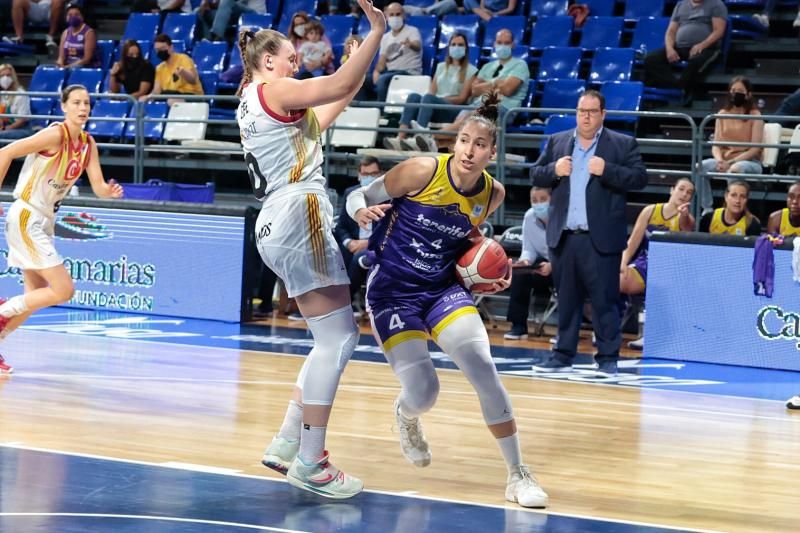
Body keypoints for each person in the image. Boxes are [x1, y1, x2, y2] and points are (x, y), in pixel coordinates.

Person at [346, 93, 549, 509]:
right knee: (425, 392)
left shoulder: (492, 194)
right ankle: (406, 416)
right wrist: (358, 213)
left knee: (483, 365)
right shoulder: (421, 170)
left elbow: (467, 242)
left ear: (492, 152)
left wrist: (489, 268)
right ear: (454, 142)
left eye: (479, 145)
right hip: (392, 292)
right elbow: (359, 195)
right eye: (464, 141)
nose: (469, 151)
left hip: (441, 288)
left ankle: (517, 474)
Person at [235, 0, 385, 499]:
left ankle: (285, 440)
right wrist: (375, 33)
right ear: (267, 61)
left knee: (329, 339)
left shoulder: (255, 100)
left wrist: (359, 57)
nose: (296, 59)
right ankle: (311, 459)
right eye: (289, 54)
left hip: (277, 220)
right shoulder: (273, 88)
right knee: (340, 339)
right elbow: (339, 84)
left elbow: (335, 101)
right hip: (301, 211)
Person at [0, 84, 124, 375]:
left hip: (45, 219)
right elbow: (6, 151)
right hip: (27, 214)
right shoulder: (55, 135)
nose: (83, 108)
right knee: (63, 290)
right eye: (77, 102)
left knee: (33, 296)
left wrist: (109, 191)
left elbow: (98, 186)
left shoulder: (88, 144)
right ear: (64, 106)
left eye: (87, 103)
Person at [530, 89, 648, 376]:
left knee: (605, 300)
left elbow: (640, 178)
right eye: (582, 111)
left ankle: (608, 357)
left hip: (601, 238)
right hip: (565, 236)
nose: (586, 117)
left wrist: (607, 169)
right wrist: (555, 170)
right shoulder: (559, 142)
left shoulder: (622, 144)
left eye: (592, 112)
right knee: (567, 299)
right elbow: (535, 174)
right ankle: (562, 354)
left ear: (603, 115)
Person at [410, 28, 528, 153]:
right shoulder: (487, 66)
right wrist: (496, 83)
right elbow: (474, 90)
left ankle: (428, 137)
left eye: (506, 43)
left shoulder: (520, 65)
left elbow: (508, 89)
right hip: (476, 104)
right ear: (494, 44)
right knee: (461, 118)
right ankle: (433, 145)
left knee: (470, 118)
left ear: (513, 44)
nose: (502, 46)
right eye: (499, 42)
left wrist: (488, 85)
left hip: (502, 108)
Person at [619, 178, 695, 350]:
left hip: (671, 269)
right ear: (672, 190)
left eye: (689, 192)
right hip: (645, 263)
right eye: (681, 189)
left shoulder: (688, 219)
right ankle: (608, 328)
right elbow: (632, 242)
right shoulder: (650, 210)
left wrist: (683, 216)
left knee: (661, 284)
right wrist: (623, 262)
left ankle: (650, 334)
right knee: (615, 279)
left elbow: (687, 228)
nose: (684, 194)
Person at [383, 32, 477, 151]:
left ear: (466, 49)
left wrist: (438, 100)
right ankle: (400, 138)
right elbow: (432, 91)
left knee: (428, 98)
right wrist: (434, 101)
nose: (456, 47)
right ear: (449, 48)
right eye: (453, 44)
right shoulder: (441, 67)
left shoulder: (471, 70)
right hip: (436, 105)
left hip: (454, 109)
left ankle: (420, 137)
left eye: (460, 45)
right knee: (413, 97)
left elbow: (462, 98)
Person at [698, 76, 764, 214]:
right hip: (725, 159)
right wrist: (720, 160)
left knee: (735, 169)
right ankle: (707, 209)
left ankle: (732, 210)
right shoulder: (722, 114)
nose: (735, 94)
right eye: (733, 90)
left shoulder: (755, 115)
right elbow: (716, 144)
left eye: (740, 90)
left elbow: (754, 149)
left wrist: (731, 162)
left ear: (748, 94)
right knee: (700, 166)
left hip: (749, 162)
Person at [643, 0, 727, 104]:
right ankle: (678, 87)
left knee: (696, 63)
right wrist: (670, 49)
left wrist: (701, 45)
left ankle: (684, 91)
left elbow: (719, 31)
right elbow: (671, 32)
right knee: (651, 59)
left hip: (707, 48)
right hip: (679, 47)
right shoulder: (681, 5)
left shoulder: (716, 4)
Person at [504, 186, 553, 341]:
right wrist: (525, 261)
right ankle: (518, 326)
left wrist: (553, 265)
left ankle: (565, 333)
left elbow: (569, 252)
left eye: (543, 200)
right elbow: (529, 248)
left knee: (567, 276)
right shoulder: (529, 217)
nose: (538, 204)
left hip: (564, 266)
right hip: (541, 266)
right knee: (520, 274)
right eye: (534, 200)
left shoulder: (563, 217)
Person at [333, 156, 383, 305]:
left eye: (373, 174)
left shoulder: (388, 197)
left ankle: (342, 303)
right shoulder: (350, 193)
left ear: (380, 174)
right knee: (334, 255)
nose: (369, 178)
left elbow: (391, 230)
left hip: (375, 246)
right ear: (359, 175)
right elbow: (341, 226)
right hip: (353, 243)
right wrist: (349, 243)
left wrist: (367, 243)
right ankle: (332, 301)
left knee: (358, 259)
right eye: (366, 174)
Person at [371, 2, 422, 103]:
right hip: (390, 73)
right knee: (360, 80)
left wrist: (411, 44)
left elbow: (417, 46)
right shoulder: (385, 37)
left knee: (383, 80)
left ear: (403, 15)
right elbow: (381, 62)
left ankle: (381, 111)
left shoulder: (412, 31)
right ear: (386, 17)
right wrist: (376, 71)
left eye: (398, 14)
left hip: (408, 72)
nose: (395, 17)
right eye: (392, 15)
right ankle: (361, 111)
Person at [147, 33, 204, 102]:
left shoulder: (183, 59)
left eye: (163, 48)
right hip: (170, 95)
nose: (160, 52)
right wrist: (147, 98)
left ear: (171, 47)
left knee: (172, 101)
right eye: (157, 50)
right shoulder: (159, 68)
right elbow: (157, 91)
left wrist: (183, 72)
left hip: (191, 96)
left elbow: (193, 80)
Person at [55, 3, 99, 69]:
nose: (73, 17)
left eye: (76, 14)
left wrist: (68, 67)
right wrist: (59, 64)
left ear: (82, 17)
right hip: (68, 67)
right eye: (70, 15)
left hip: (84, 68)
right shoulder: (65, 32)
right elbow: (61, 57)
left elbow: (86, 59)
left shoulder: (89, 32)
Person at [197, 0, 266, 42]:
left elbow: (234, 2)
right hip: (234, 13)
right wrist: (208, 4)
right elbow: (220, 5)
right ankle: (207, 41)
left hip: (254, 15)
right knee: (200, 11)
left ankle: (216, 36)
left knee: (227, 1)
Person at [0, 64, 33, 140]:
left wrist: (6, 128)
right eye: (2, 76)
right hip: (5, 128)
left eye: (8, 75)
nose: (5, 78)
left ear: (13, 77)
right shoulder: (1, 94)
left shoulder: (21, 94)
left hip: (22, 129)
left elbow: (22, 120)